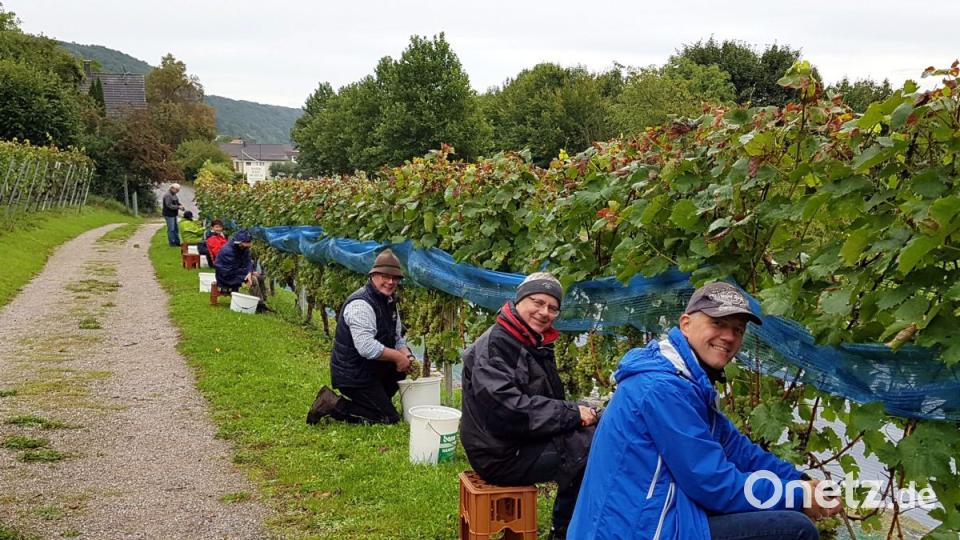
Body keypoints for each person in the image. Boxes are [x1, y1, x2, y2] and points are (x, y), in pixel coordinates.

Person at [568, 282, 841, 540]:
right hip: (634, 531)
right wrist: (799, 495)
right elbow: (713, 483)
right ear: (686, 324)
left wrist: (802, 480)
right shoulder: (661, 388)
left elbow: (738, 450)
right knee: (793, 530)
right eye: (718, 323)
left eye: (738, 329)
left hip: (658, 519)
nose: (729, 336)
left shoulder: (687, 383)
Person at [459, 272, 597, 540]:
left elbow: (542, 400)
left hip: (513, 441)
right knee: (588, 451)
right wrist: (571, 413)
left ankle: (572, 527)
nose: (544, 312)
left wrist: (578, 411)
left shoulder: (528, 340)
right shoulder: (497, 345)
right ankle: (565, 533)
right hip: (500, 454)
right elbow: (507, 412)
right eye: (537, 302)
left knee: (595, 432)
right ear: (519, 300)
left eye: (552, 307)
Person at [306, 249, 416, 425]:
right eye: (385, 276)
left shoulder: (389, 302)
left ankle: (374, 403)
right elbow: (366, 347)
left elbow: (397, 338)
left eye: (395, 278)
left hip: (371, 370)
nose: (390, 282)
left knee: (401, 367)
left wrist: (407, 355)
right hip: (353, 374)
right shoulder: (361, 304)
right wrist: (397, 356)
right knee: (388, 418)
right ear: (373, 275)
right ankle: (331, 404)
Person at [213, 229, 268, 311]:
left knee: (260, 277)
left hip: (237, 272)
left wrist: (250, 271)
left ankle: (263, 301)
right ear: (239, 243)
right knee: (253, 280)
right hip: (226, 276)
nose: (247, 248)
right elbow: (231, 270)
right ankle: (259, 306)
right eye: (246, 245)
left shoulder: (242, 248)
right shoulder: (228, 251)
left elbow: (248, 261)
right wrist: (249, 273)